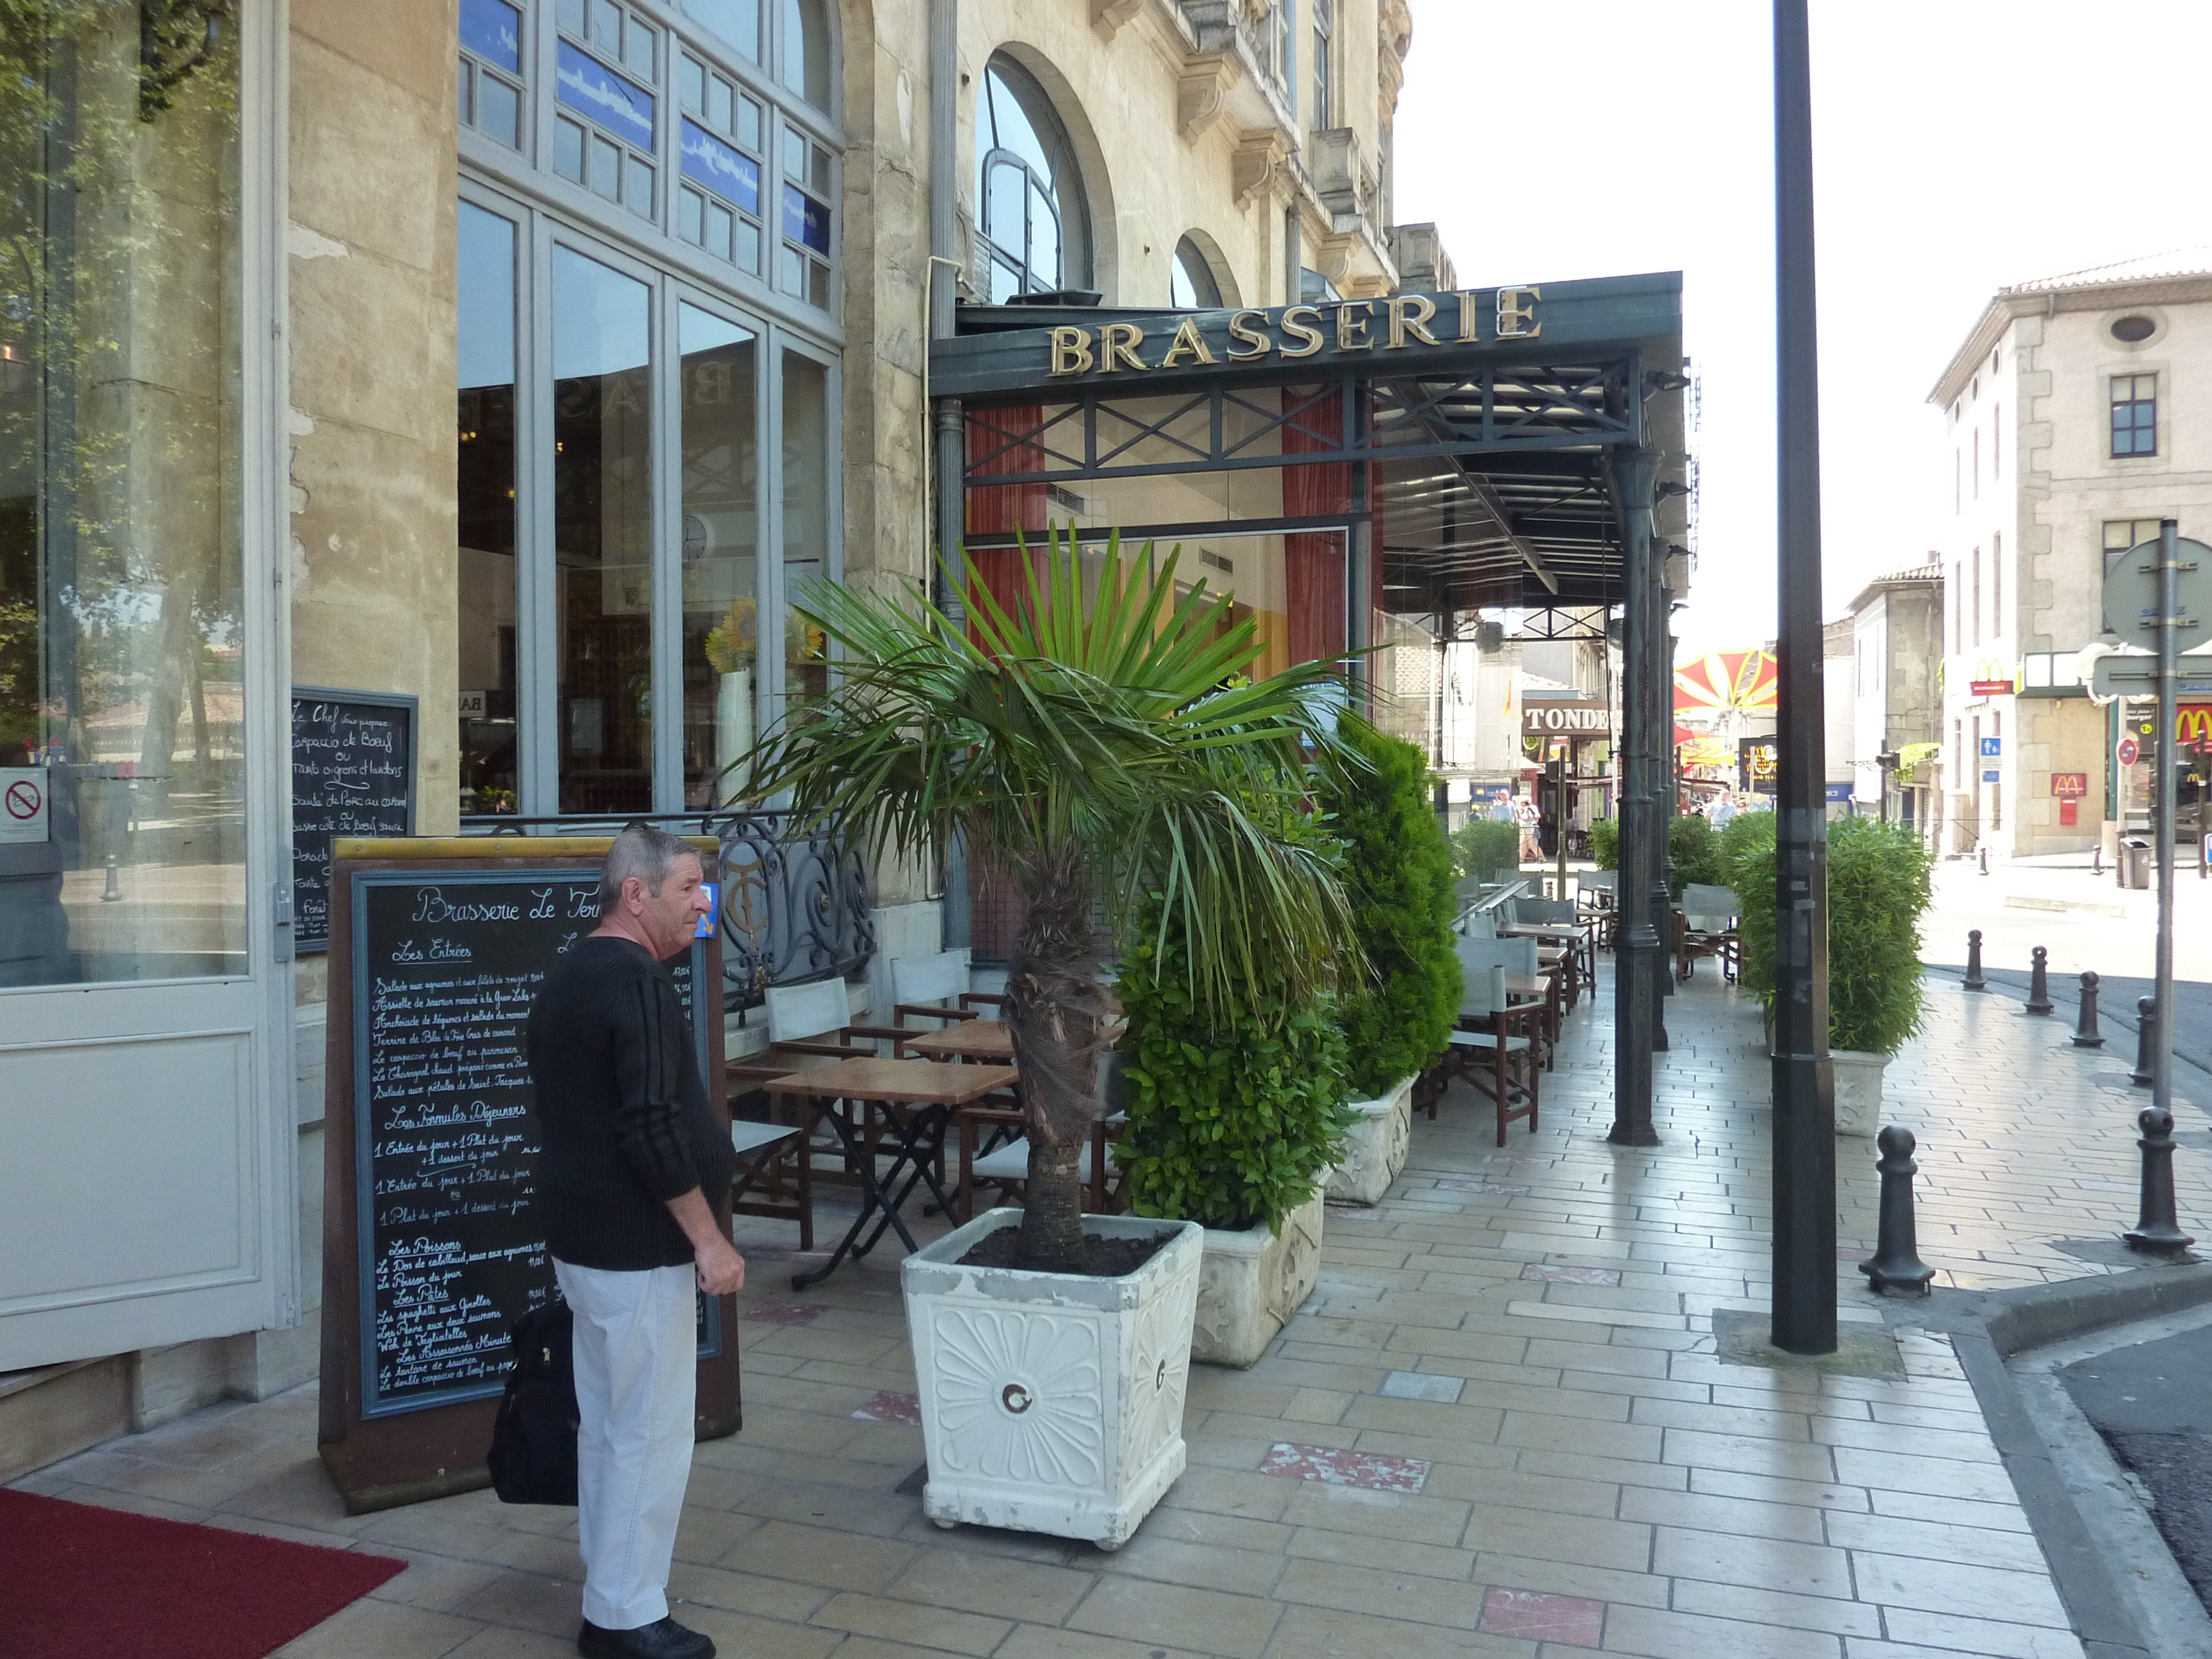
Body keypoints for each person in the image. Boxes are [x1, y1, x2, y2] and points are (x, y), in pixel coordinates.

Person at [528, 823, 743, 1659]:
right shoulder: (639, 986)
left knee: (614, 1424)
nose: (703, 902)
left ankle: (613, 1587)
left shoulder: (573, 973)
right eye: (689, 888)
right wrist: (710, 1241)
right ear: (635, 894)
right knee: (647, 1432)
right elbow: (652, 1128)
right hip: (635, 1245)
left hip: (585, 1240)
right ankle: (623, 1617)